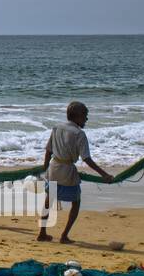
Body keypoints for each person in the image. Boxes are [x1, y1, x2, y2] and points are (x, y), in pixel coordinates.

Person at [37, 101, 114, 244]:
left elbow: (48, 150)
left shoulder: (57, 128)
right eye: (85, 116)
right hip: (67, 172)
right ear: (77, 116)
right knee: (76, 203)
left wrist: (45, 166)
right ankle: (64, 235)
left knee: (48, 201)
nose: (86, 119)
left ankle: (42, 233)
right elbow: (87, 159)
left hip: (53, 169)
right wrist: (104, 175)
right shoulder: (79, 134)